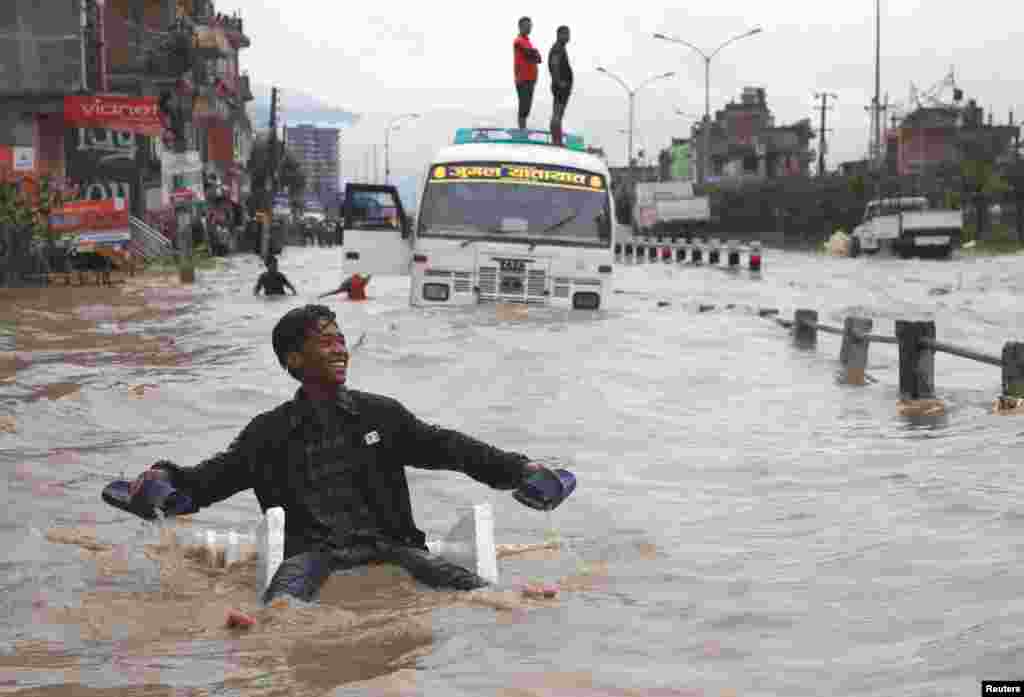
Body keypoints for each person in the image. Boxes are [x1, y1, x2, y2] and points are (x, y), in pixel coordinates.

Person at [128, 305, 550, 603]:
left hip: (391, 545)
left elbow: (453, 449)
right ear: (294, 359)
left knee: (477, 594)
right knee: (282, 607)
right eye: (325, 342)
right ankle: (257, 630)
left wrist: (520, 469)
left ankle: (512, 601)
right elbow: (207, 481)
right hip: (312, 553)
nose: (340, 349)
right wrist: (161, 477)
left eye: (341, 341)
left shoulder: (381, 415)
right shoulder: (268, 433)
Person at [513, 16, 542, 130]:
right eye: (527, 26)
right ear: (520, 27)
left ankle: (523, 129)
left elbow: (538, 58)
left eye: (530, 26)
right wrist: (534, 53)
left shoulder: (528, 41)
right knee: (524, 106)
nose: (529, 28)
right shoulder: (518, 40)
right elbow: (529, 53)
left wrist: (535, 53)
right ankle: (522, 130)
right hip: (523, 79)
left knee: (527, 106)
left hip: (531, 79)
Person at [547, 25, 573, 146]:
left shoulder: (560, 47)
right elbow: (554, 64)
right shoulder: (557, 48)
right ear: (559, 35)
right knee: (557, 114)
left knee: (558, 114)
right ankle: (556, 141)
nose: (568, 37)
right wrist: (559, 82)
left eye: (568, 34)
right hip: (560, 87)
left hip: (561, 86)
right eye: (566, 34)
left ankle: (557, 140)